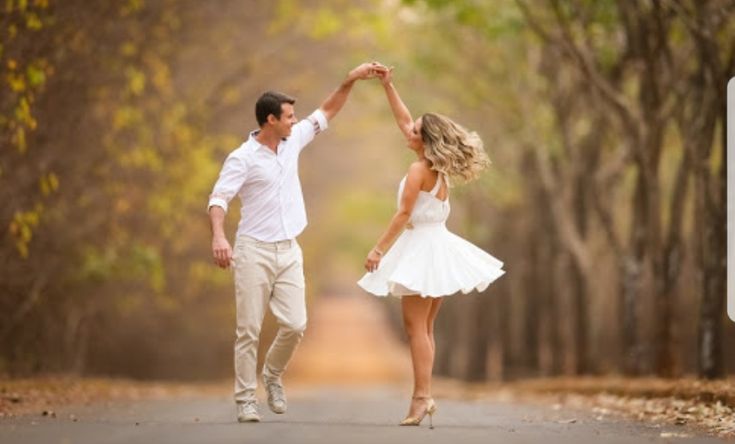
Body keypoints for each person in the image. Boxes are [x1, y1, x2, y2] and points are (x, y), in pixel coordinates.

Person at [208, 62, 386, 423]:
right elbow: (218, 200)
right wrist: (219, 236)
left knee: (295, 324)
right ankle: (245, 399)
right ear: (270, 120)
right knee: (249, 329)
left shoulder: (293, 141)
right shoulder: (241, 159)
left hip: (289, 249)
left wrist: (350, 80)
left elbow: (329, 110)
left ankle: (272, 375)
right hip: (253, 250)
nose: (295, 120)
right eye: (289, 116)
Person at [357, 67, 505, 428]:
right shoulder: (436, 168)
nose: (408, 129)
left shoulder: (417, 170)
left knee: (414, 328)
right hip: (436, 244)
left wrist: (377, 250)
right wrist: (388, 86)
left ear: (424, 139)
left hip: (422, 249)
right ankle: (425, 395)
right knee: (425, 329)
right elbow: (405, 119)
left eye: (415, 130)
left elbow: (403, 213)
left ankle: (421, 397)